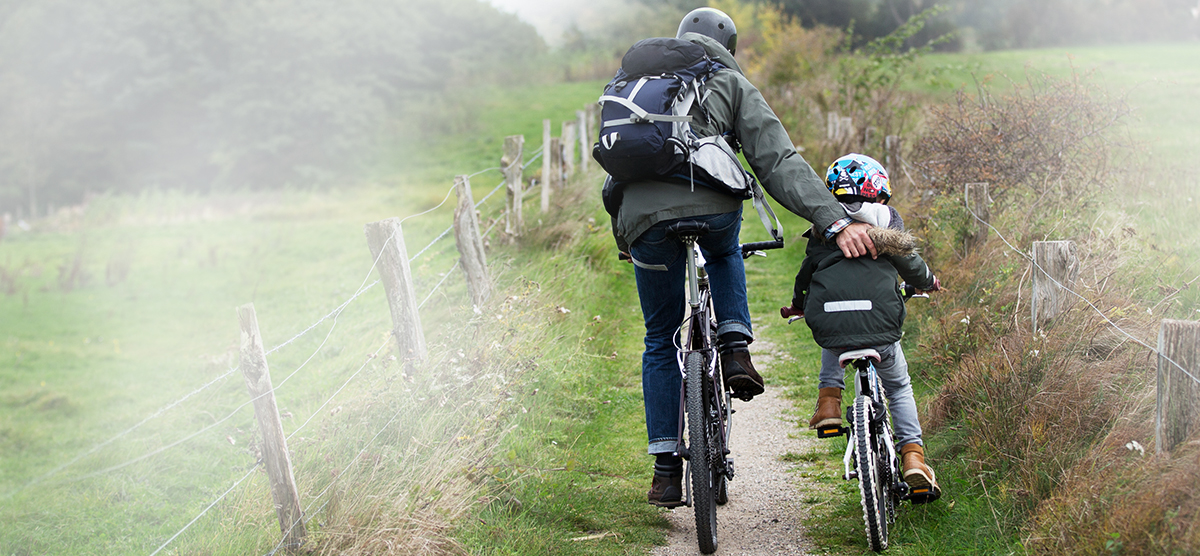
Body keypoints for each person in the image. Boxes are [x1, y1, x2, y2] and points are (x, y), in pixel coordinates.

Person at [605, 7, 878, 508]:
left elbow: (616, 164)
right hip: (712, 208)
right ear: (729, 46)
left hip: (642, 220)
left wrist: (629, 239)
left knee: (658, 339)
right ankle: (735, 346)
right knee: (725, 248)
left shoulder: (633, 81)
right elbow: (777, 161)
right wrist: (835, 219)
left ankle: (666, 472)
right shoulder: (727, 80)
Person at [780, 153, 943, 501]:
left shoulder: (824, 228)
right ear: (881, 194)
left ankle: (829, 404)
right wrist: (929, 282)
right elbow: (912, 266)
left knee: (833, 332)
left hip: (831, 319)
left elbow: (806, 274)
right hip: (881, 321)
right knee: (898, 387)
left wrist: (799, 304)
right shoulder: (886, 227)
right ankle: (913, 455)